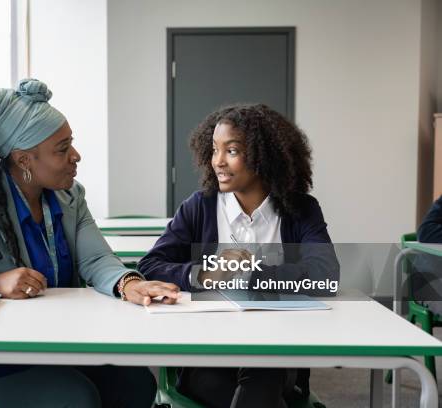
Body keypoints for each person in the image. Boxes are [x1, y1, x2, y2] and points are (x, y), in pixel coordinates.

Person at [0, 78, 180, 408]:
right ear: (24, 159)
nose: (75, 156)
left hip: (53, 342)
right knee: (75, 398)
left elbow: (96, 259)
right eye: (62, 149)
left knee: (135, 384)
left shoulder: (69, 196)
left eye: (72, 144)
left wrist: (128, 282)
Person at [138, 104, 339, 408]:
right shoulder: (199, 207)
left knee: (263, 371)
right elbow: (150, 266)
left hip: (278, 354)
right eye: (214, 150)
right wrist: (205, 274)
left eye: (231, 151)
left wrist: (251, 275)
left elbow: (326, 275)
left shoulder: (301, 209)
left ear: (264, 156)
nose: (218, 161)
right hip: (207, 356)